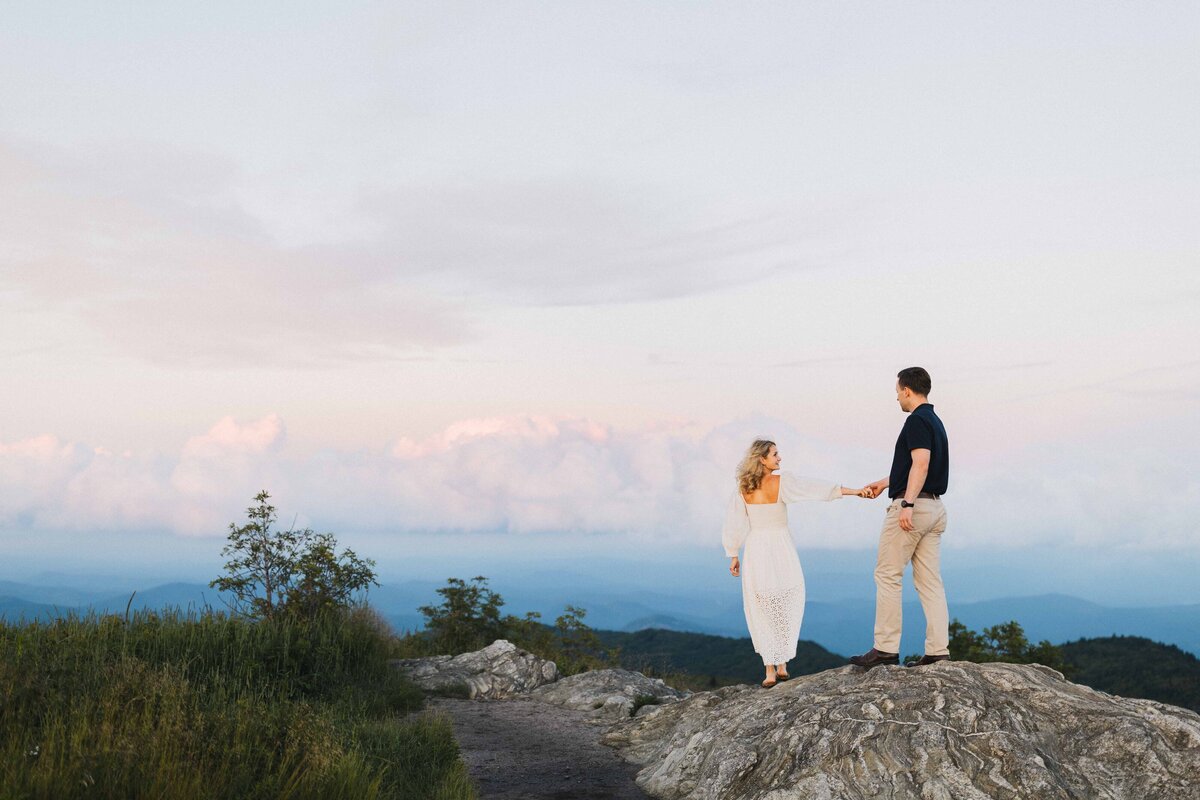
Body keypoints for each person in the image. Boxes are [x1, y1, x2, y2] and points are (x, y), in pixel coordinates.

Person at [723, 439, 869, 687]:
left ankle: (774, 668)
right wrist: (853, 491)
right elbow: (815, 489)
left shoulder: (745, 487)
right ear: (762, 459)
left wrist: (734, 553)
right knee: (781, 598)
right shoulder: (778, 483)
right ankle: (777, 666)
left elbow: (734, 521)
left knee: (765, 603)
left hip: (758, 547)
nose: (779, 458)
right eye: (775, 454)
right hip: (778, 546)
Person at [850, 366, 951, 668]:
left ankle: (885, 648)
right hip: (935, 508)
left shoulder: (915, 421)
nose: (896, 398)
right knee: (930, 582)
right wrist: (885, 483)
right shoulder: (936, 422)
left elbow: (920, 464)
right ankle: (938, 650)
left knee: (888, 574)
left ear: (907, 389)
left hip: (914, 508)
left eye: (897, 391)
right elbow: (917, 467)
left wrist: (906, 504)